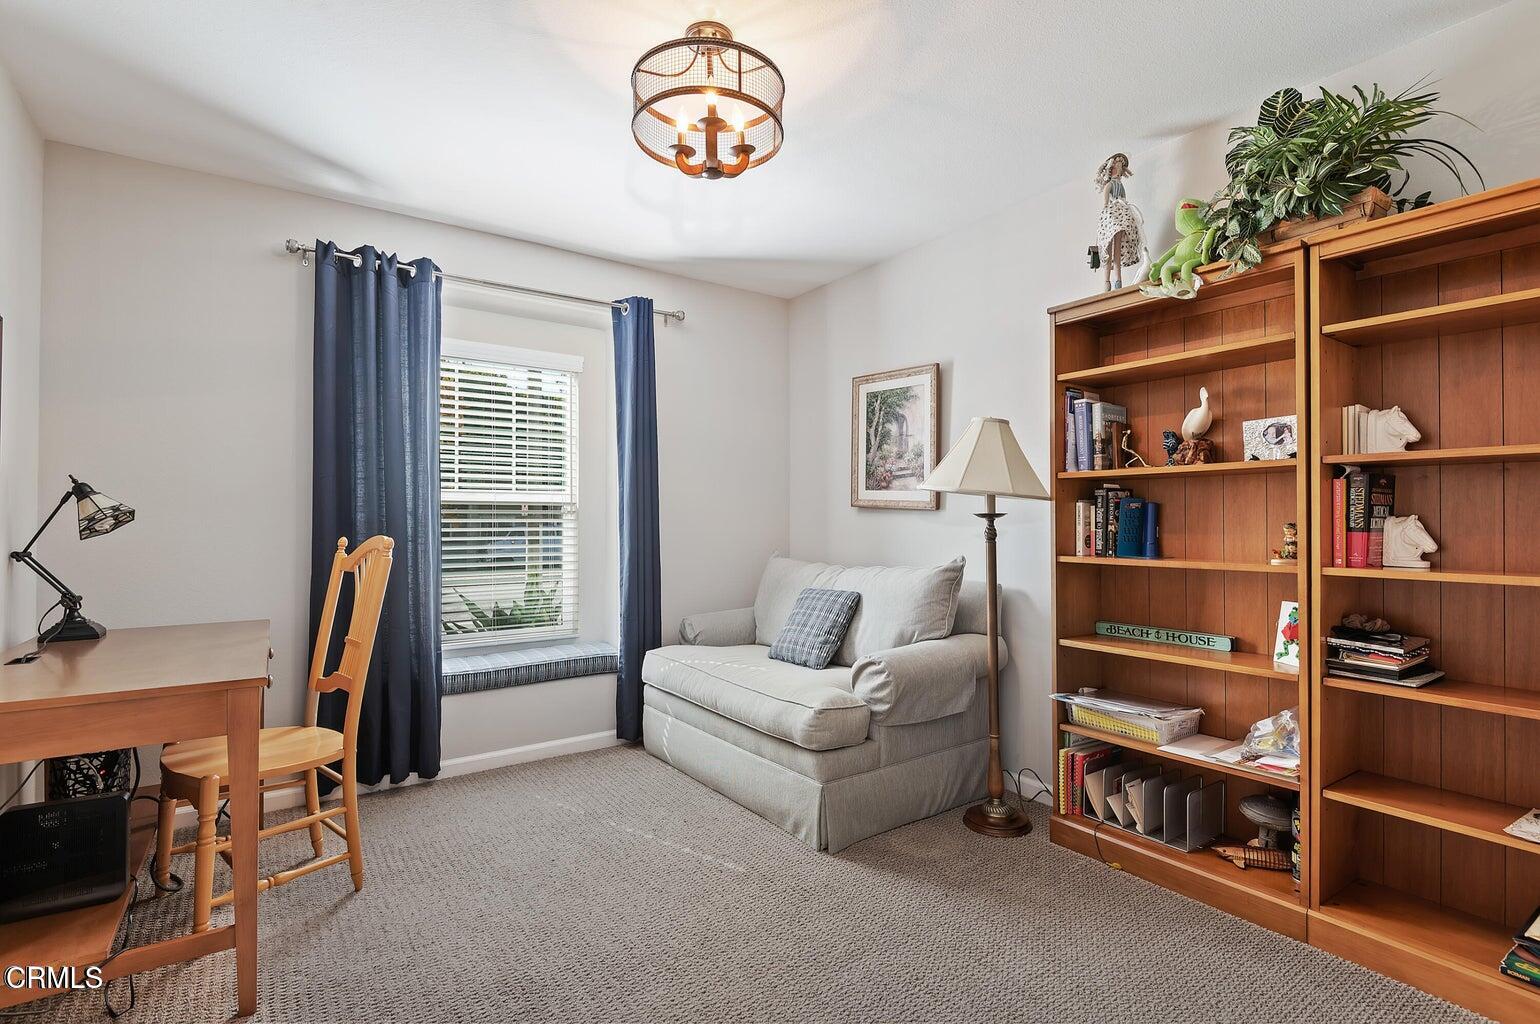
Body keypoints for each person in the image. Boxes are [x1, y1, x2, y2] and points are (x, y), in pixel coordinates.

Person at [1095, 153, 1145, 291]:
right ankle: (1106, 282)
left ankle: (1118, 281)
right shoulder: (1109, 185)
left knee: (1117, 251)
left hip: (1121, 215)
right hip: (1112, 216)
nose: (1119, 171)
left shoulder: (1120, 186)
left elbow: (1124, 200)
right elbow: (1105, 203)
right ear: (1110, 170)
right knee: (1109, 251)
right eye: (1116, 168)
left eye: (1120, 168)